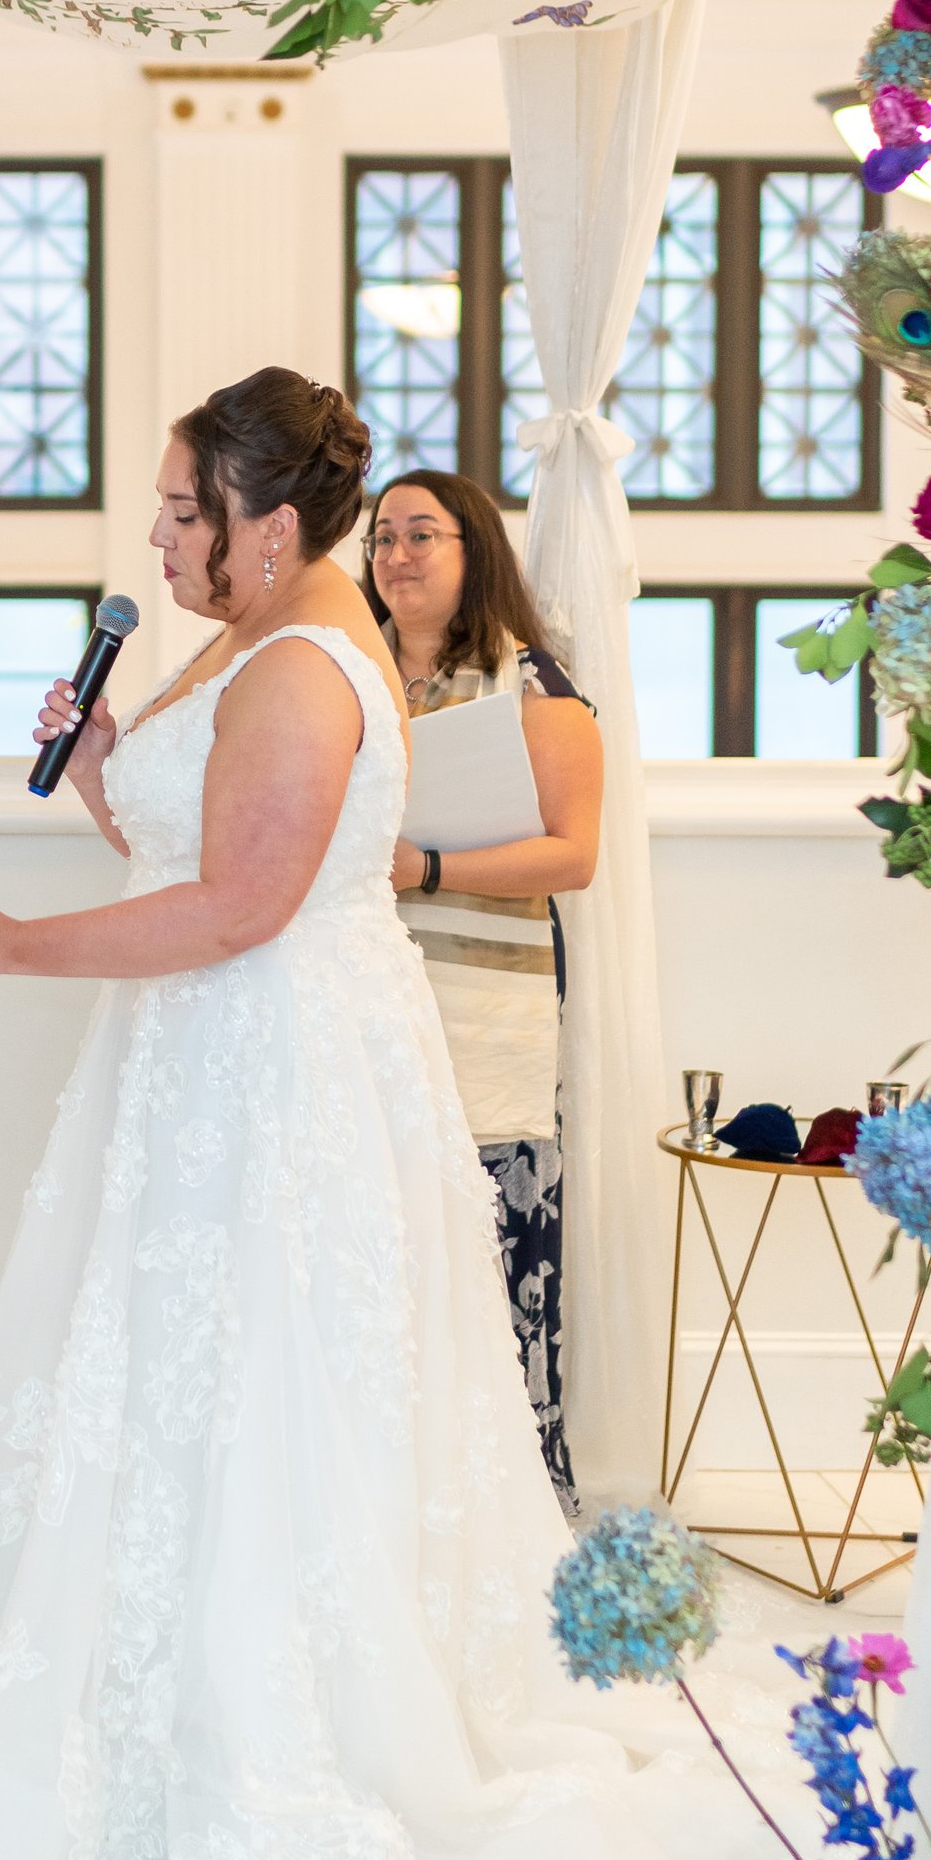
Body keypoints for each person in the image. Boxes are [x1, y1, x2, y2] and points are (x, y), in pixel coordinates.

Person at [0, 365, 642, 1860]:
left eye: (187, 513)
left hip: (272, 1064)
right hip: (196, 1054)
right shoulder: (245, 641)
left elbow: (241, 910)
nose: (162, 539)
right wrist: (107, 769)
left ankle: (252, 1727)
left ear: (270, 522)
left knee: (262, 1381)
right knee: (166, 1372)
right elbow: (190, 856)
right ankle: (138, 1693)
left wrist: (19, 947)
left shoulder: (306, 665)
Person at [362, 469, 601, 1505]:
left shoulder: (531, 686)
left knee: (498, 1279)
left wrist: (432, 869)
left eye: (423, 533)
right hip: (364, 996)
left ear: (474, 553)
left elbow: (572, 855)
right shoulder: (347, 678)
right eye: (380, 537)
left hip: (486, 1013)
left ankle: (516, 1510)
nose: (397, 554)